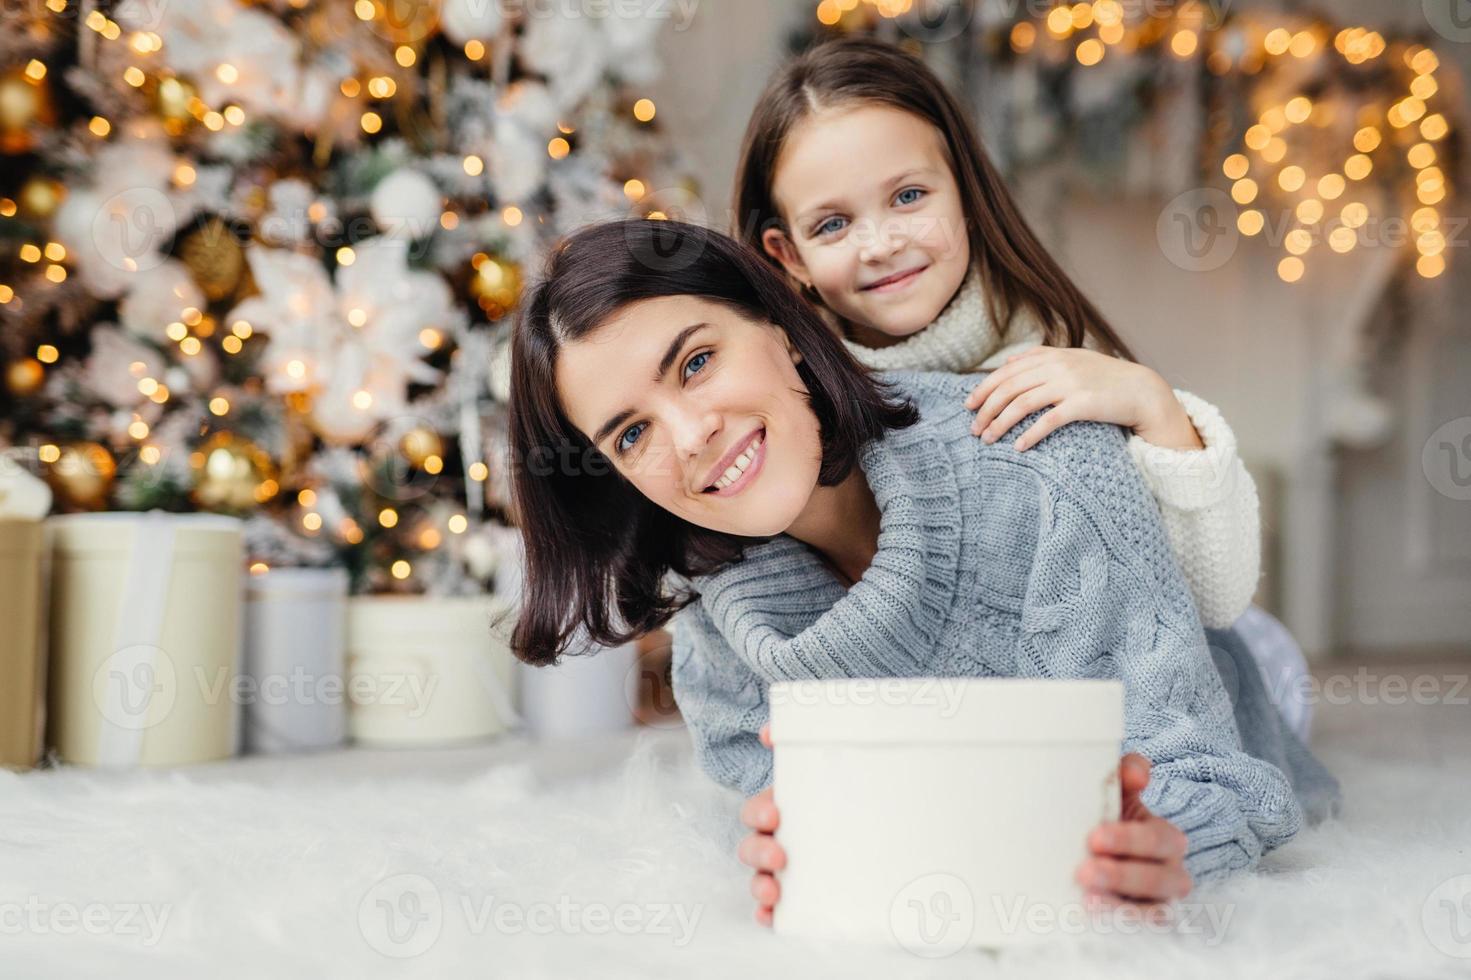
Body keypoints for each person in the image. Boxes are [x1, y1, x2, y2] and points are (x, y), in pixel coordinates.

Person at [506, 217, 1339, 924]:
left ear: (781, 332)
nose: (688, 437)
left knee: (1252, 659)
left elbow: (1215, 778)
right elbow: (764, 798)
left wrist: (1168, 844)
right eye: (630, 435)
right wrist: (776, 842)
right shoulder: (711, 602)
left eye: (694, 363)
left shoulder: (1044, 463)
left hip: (1223, 669)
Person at [731, 37, 1315, 744]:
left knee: (1259, 668)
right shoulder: (788, 408)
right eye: (833, 223)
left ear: (966, 195)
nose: (880, 243)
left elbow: (1213, 599)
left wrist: (1153, 406)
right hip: (963, 701)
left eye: (909, 196)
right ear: (786, 255)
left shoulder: (1055, 362)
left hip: (1175, 652)